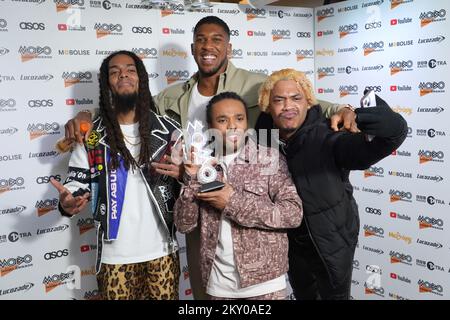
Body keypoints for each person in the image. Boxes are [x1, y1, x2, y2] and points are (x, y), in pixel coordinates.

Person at [61, 16, 357, 300]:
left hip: (248, 194)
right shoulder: (173, 95)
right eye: (200, 40)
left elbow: (292, 97)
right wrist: (88, 116)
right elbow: (130, 108)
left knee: (258, 279)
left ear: (229, 48)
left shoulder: (253, 84)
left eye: (217, 40)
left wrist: (339, 109)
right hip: (195, 194)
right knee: (206, 283)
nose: (208, 46)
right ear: (193, 49)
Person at [256, 69, 408, 300]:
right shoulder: (262, 137)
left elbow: (363, 151)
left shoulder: (329, 134)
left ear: (308, 102)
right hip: (291, 247)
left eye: (296, 98)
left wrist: (395, 129)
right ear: (268, 105)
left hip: (330, 244)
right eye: (279, 100)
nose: (288, 106)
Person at [51, 50, 181, 300]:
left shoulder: (169, 131)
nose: (123, 75)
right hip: (114, 258)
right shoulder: (90, 136)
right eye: (114, 72)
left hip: (163, 252)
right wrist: (69, 202)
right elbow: (76, 183)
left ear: (141, 78)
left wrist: (186, 176)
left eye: (131, 70)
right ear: (106, 83)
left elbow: (190, 180)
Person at [174, 91, 302, 300]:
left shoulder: (268, 158)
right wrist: (189, 181)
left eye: (239, 119)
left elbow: (292, 214)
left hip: (265, 285)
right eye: (223, 120)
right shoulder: (204, 166)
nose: (232, 126)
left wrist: (232, 202)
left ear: (246, 123)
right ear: (210, 126)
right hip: (218, 285)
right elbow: (184, 225)